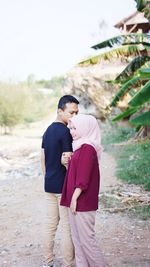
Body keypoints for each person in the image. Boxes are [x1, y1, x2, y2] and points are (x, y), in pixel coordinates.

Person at [60, 114, 106, 267]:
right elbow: (75, 173)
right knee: (78, 242)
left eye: (75, 128)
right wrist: (67, 163)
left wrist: (74, 199)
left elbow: (84, 178)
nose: (72, 132)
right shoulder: (80, 147)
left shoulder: (87, 148)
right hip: (75, 200)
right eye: (71, 128)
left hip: (82, 202)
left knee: (87, 243)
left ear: (86, 128)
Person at [41, 95, 79, 267]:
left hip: (49, 185)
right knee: (66, 226)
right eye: (71, 113)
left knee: (50, 225)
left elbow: (42, 157)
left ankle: (47, 261)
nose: (74, 117)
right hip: (62, 187)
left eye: (76, 113)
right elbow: (67, 159)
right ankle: (68, 264)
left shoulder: (47, 130)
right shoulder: (65, 132)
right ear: (60, 111)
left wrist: (47, 176)